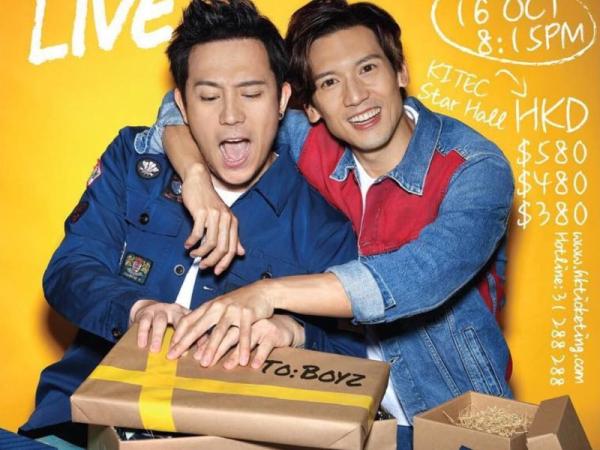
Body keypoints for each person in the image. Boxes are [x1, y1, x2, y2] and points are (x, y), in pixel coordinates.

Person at [142, 1, 515, 448]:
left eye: (368, 69)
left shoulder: (473, 168)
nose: (355, 97)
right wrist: (195, 179)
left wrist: (265, 295)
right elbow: (181, 106)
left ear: (400, 71)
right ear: (312, 106)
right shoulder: (312, 142)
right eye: (330, 82)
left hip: (451, 416)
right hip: (332, 405)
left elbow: (418, 278)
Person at [19, 0, 365, 446]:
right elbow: (69, 269)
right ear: (180, 104)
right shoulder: (133, 163)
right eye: (208, 97)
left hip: (221, 437)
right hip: (80, 423)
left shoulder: (322, 227)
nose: (231, 115)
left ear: (282, 100)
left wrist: (294, 332)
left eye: (251, 94)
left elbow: (354, 358)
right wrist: (136, 309)